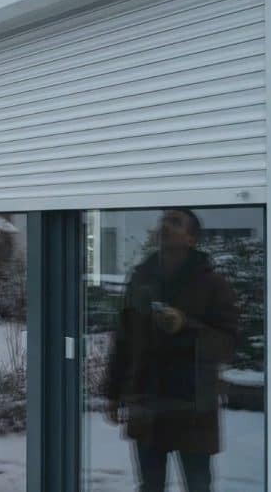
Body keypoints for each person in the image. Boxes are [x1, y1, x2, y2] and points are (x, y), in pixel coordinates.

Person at [103, 208, 238, 492]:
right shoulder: (141, 277)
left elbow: (228, 344)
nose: (165, 225)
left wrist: (186, 325)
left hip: (192, 407)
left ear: (191, 238)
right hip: (147, 404)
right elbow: (124, 339)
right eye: (163, 220)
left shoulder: (212, 284)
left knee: (198, 486)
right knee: (150, 485)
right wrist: (113, 394)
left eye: (175, 222)